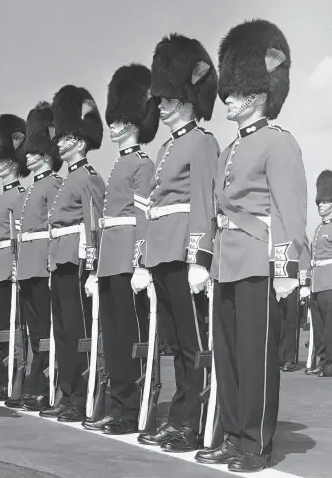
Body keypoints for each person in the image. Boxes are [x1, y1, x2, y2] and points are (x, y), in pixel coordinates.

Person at [196, 19, 306, 472]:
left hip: (260, 261)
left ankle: (255, 443)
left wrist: (286, 267)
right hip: (228, 261)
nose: (227, 100)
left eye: (235, 92)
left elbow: (289, 212)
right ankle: (233, 434)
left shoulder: (279, 144)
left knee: (255, 360)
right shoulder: (228, 150)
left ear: (258, 93)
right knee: (229, 357)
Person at [131, 34, 219, 452]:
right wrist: (144, 260)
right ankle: (179, 415)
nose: (160, 107)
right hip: (162, 253)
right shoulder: (167, 146)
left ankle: (191, 420)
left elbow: (203, 201)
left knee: (191, 344)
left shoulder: (201, 142)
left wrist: (200, 256)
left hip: (184, 252)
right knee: (174, 343)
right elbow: (152, 208)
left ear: (187, 98)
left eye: (168, 100)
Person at [84, 64, 158, 434]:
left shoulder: (143, 164)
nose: (112, 127)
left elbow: (144, 216)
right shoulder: (117, 165)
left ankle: (131, 410)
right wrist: (95, 268)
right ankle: (117, 405)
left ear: (133, 123)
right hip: (110, 262)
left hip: (128, 258)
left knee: (131, 339)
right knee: (113, 340)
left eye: (119, 121)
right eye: (112, 121)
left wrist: (141, 261)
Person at [42, 85, 104, 423]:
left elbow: (94, 222)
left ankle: (80, 397)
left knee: (79, 333)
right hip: (60, 259)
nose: (59, 142)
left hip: (78, 260)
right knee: (64, 331)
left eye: (65, 137)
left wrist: (92, 267)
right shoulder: (68, 178)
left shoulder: (88, 177)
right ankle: (66, 392)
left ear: (79, 141)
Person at [14, 102, 63, 411]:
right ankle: (36, 381)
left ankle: (43, 382)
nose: (27, 156)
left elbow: (56, 227)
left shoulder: (54, 184)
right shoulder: (33, 188)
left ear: (46, 154)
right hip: (29, 266)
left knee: (45, 329)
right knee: (34, 330)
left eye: (33, 152)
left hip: (44, 264)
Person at [0, 113, 29, 402]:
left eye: (2, 161)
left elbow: (18, 236)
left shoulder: (20, 195)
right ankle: (1, 378)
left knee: (12, 330)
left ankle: (11, 378)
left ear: (13, 162)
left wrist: (16, 265)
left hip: (11, 269)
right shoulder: (2, 198)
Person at [306, 170, 332, 377]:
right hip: (317, 282)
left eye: (324, 201)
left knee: (330, 327)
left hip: (330, 282)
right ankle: (322, 360)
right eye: (319, 202)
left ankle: (331, 363)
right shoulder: (317, 229)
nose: (320, 205)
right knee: (319, 326)